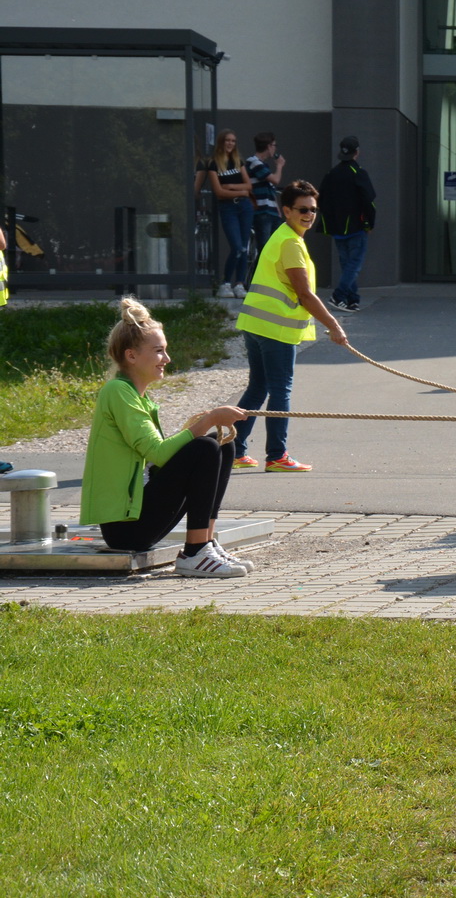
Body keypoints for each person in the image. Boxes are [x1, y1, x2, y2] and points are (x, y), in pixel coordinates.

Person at [81, 298, 253, 575]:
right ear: (131, 355)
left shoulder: (138, 396)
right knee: (204, 448)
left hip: (138, 517)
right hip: (125, 528)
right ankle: (194, 553)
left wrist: (205, 426)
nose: (167, 359)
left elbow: (159, 460)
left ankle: (205, 542)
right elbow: (159, 454)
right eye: (159, 351)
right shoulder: (118, 392)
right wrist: (208, 420)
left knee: (221, 445)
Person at [233, 181, 350, 471]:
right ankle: (277, 456)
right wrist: (334, 324)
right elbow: (305, 294)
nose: (309, 215)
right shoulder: (291, 243)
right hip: (275, 329)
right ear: (286, 210)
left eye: (313, 209)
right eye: (302, 210)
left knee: (259, 387)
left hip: (257, 323)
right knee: (280, 390)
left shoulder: (284, 236)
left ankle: (233, 450)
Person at [315, 135, 378, 313]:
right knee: (354, 265)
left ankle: (352, 299)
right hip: (356, 227)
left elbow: (321, 198)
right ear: (357, 152)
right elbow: (369, 201)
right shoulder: (358, 173)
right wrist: (370, 223)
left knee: (346, 264)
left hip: (337, 228)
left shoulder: (332, 174)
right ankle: (339, 295)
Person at [206, 129, 253, 298]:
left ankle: (239, 284)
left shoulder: (238, 161)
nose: (230, 143)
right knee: (237, 247)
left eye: (233, 141)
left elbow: (248, 187)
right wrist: (239, 192)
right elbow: (219, 192)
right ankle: (225, 283)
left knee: (244, 248)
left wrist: (231, 187)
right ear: (221, 142)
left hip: (244, 208)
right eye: (227, 140)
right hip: (228, 208)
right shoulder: (213, 163)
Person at [244, 131, 286, 277]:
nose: (275, 149)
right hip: (262, 212)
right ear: (268, 146)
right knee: (265, 249)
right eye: (274, 145)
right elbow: (275, 180)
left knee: (273, 249)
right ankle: (255, 280)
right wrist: (279, 166)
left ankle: (263, 279)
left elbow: (271, 189)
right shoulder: (254, 162)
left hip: (271, 211)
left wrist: (278, 211)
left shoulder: (262, 164)